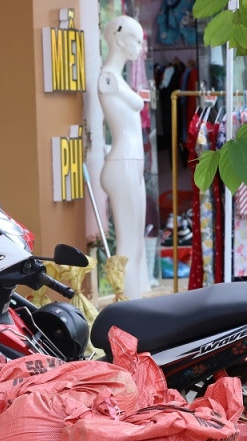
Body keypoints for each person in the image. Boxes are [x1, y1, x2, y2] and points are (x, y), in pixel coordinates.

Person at [98, 15, 149, 300]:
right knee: (128, 245)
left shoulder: (116, 79)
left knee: (137, 244)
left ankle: (137, 305)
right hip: (123, 163)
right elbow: (136, 103)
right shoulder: (108, 78)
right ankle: (129, 310)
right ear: (118, 38)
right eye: (136, 40)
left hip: (131, 164)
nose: (140, 48)